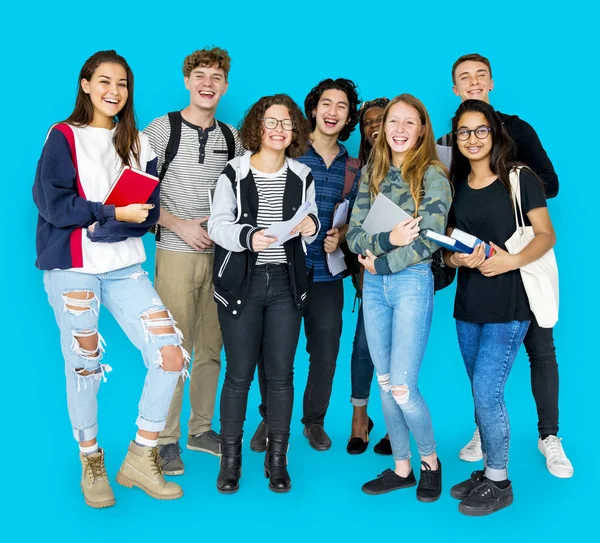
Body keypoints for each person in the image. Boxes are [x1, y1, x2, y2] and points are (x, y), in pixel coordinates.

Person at [33, 50, 188, 508]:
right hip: (73, 267)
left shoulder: (140, 143)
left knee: (171, 355)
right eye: (103, 81)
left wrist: (115, 221)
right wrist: (110, 213)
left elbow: (149, 213)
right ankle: (90, 460)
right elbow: (52, 204)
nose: (113, 91)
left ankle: (141, 455)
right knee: (84, 365)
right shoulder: (63, 136)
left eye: (121, 84)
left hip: (125, 267)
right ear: (85, 85)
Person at [438, 53, 572, 478]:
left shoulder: (517, 134)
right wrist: (457, 253)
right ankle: (486, 428)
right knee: (483, 379)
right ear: (455, 89)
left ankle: (549, 437)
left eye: (480, 76)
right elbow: (448, 208)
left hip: (520, 264)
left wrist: (511, 181)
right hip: (477, 283)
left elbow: (547, 187)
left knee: (540, 350)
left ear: (491, 83)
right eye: (464, 78)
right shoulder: (449, 145)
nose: (473, 82)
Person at [445, 99, 557, 515]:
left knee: (486, 392)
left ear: (494, 134)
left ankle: (499, 480)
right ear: (455, 139)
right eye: (464, 132)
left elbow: (546, 235)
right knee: (479, 392)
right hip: (468, 305)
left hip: (510, 306)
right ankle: (488, 470)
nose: (472, 139)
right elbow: (450, 248)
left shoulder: (519, 178)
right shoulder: (454, 184)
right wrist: (456, 259)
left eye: (480, 131)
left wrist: (510, 260)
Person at [208, 94, 319, 493]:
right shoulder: (233, 173)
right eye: (272, 122)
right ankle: (231, 461)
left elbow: (311, 218)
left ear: (295, 132)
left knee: (281, 375)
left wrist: (311, 227)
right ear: (258, 127)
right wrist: (248, 236)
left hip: (286, 284)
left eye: (287, 124)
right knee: (238, 374)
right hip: (243, 282)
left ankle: (277, 460)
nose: (279, 130)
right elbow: (217, 226)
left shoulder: (302, 174)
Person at [144, 47, 245, 475]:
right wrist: (179, 224)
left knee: (211, 348)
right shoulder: (159, 129)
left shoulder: (232, 137)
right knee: (173, 351)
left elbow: (244, 195)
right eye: (200, 75)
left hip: (221, 260)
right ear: (187, 81)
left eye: (216, 77)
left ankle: (201, 429)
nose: (208, 83)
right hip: (175, 253)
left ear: (225, 86)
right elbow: (133, 193)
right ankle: (164, 441)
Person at [347, 94, 451, 502]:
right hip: (373, 288)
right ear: (383, 127)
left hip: (409, 284)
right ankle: (402, 467)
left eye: (410, 122)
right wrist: (389, 238)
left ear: (422, 129)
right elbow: (355, 236)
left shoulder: (432, 175)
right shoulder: (373, 170)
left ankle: (430, 463)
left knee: (405, 387)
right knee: (386, 384)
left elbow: (429, 240)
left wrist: (382, 262)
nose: (400, 130)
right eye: (394, 122)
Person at [249, 78, 361, 453]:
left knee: (326, 349)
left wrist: (341, 235)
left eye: (341, 106)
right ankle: (270, 417)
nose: (332, 112)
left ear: (348, 116)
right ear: (312, 109)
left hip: (327, 272)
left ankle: (314, 421)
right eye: (326, 104)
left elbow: (356, 218)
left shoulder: (353, 166)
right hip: (283, 267)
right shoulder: (290, 153)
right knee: (274, 350)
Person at [347, 97, 393, 455]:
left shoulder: (417, 163)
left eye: (383, 119)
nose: (375, 125)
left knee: (399, 352)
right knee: (364, 346)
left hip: (408, 271)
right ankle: (360, 418)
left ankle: (396, 423)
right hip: (370, 271)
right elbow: (354, 224)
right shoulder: (360, 169)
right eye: (368, 122)